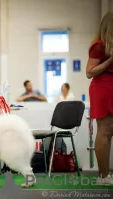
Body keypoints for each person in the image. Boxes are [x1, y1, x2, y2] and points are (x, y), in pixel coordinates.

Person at [86, 11, 113, 185]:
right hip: (103, 88)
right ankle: (103, 176)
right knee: (105, 131)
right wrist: (110, 60)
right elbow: (89, 72)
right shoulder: (99, 45)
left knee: (109, 132)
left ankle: (106, 174)